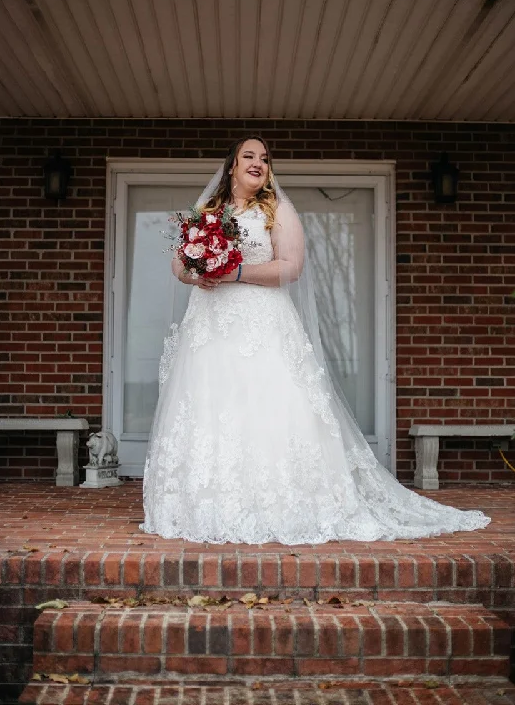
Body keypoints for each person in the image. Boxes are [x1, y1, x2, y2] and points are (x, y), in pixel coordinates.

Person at [140, 136, 490, 544]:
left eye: (265, 159)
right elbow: (180, 261)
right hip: (211, 326)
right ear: (231, 167)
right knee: (211, 404)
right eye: (248, 156)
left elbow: (291, 267)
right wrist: (194, 274)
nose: (258, 163)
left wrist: (233, 273)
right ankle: (205, 504)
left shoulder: (278, 210)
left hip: (262, 321)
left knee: (270, 406)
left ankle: (281, 503)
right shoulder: (208, 213)